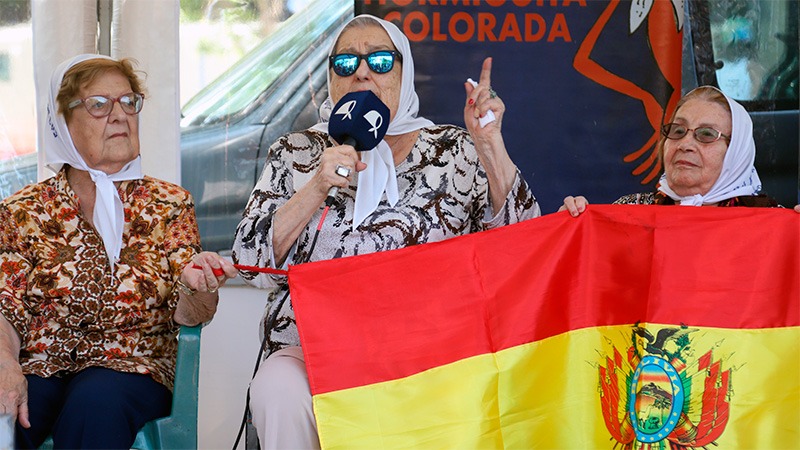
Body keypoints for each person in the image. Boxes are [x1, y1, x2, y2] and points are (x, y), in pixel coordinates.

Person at [232, 14, 540, 449]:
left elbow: (524, 243)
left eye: (379, 60)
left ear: (403, 71)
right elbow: (250, 263)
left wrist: (489, 145)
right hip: (316, 355)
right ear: (331, 78)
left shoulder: (452, 150)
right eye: (346, 62)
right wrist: (316, 185)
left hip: (429, 358)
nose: (361, 72)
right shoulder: (295, 153)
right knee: (277, 387)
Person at [0, 54, 238, 448]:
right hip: (41, 366)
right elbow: (5, 306)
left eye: (129, 102)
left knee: (94, 401)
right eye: (99, 104)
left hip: (131, 367)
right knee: (9, 411)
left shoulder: (168, 204)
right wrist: (6, 365)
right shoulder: (22, 211)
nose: (119, 115)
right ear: (62, 121)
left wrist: (199, 287)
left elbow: (192, 313)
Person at [560, 85, 800, 214]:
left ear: (736, 154)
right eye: (677, 130)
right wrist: (572, 227)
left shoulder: (770, 224)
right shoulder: (629, 211)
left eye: (706, 135)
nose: (685, 144)